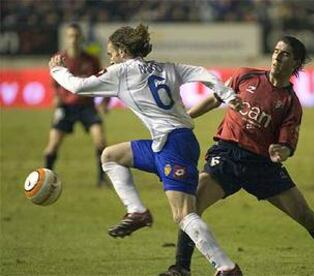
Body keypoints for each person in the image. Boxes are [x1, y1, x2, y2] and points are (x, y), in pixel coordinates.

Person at [160, 36, 314, 276]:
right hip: (227, 155)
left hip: (262, 166)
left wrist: (280, 152)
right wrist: (185, 119)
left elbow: (287, 143)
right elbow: (215, 99)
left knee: (308, 218)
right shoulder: (246, 76)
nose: (277, 56)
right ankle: (180, 268)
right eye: (276, 51)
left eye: (284, 54)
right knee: (190, 207)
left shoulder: (290, 103)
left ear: (295, 62)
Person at [48, 23, 243, 275]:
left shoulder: (120, 72)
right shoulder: (166, 67)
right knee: (111, 156)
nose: (110, 58)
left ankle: (226, 268)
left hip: (173, 145)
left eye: (110, 53)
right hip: (166, 143)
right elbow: (202, 72)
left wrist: (57, 69)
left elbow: (77, 86)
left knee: (184, 215)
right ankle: (137, 212)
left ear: (120, 51)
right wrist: (227, 94)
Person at [43, 23, 110, 187]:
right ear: (66, 38)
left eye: (76, 36)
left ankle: (101, 179)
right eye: (70, 36)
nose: (73, 39)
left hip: (87, 106)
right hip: (66, 107)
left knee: (100, 140)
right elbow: (54, 84)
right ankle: (46, 180)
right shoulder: (59, 59)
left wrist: (105, 101)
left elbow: (105, 81)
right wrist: (56, 97)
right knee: (52, 146)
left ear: (81, 38)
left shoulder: (91, 60)